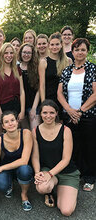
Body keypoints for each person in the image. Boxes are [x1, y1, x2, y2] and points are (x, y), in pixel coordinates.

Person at [57, 38, 96, 191]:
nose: (80, 52)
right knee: (73, 146)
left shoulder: (93, 69)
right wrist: (69, 110)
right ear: (72, 52)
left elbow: (95, 94)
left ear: (87, 52)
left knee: (89, 146)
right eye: (77, 50)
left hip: (87, 115)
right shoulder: (67, 70)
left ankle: (89, 177)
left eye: (83, 50)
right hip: (69, 115)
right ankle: (76, 174)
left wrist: (80, 111)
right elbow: (60, 93)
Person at [32, 99, 79, 216]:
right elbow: (35, 156)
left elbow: (66, 159)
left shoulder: (65, 130)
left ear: (57, 113)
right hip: (47, 169)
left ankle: (61, 189)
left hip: (67, 172)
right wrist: (38, 173)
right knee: (42, 187)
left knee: (66, 211)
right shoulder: (35, 131)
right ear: (40, 114)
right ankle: (50, 190)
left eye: (52, 113)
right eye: (45, 113)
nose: (48, 116)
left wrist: (50, 174)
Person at [0, 111, 33, 211]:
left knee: (25, 170)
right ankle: (10, 185)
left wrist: (1, 168)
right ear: (3, 126)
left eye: (12, 120)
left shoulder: (26, 133)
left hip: (21, 167)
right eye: (6, 122)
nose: (10, 124)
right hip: (7, 169)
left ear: (17, 122)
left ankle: (24, 195)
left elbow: (24, 161)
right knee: (2, 184)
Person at [0, 43, 25, 135]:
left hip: (16, 106)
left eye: (11, 53)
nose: (9, 56)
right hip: (1, 106)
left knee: (17, 134)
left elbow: (22, 91)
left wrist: (22, 110)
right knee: (2, 136)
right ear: (1, 54)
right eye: (6, 53)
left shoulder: (17, 69)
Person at [39, 32, 72, 117]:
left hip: (65, 100)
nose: (54, 47)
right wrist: (43, 103)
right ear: (49, 46)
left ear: (61, 45)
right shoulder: (43, 62)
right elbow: (42, 85)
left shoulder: (68, 61)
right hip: (50, 100)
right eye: (52, 44)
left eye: (57, 44)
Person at [18, 43, 40, 129]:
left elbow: (39, 90)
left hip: (34, 104)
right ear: (20, 53)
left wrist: (34, 108)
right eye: (24, 52)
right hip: (20, 106)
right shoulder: (16, 68)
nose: (26, 55)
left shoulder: (36, 68)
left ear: (32, 54)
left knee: (35, 131)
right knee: (24, 132)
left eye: (29, 53)